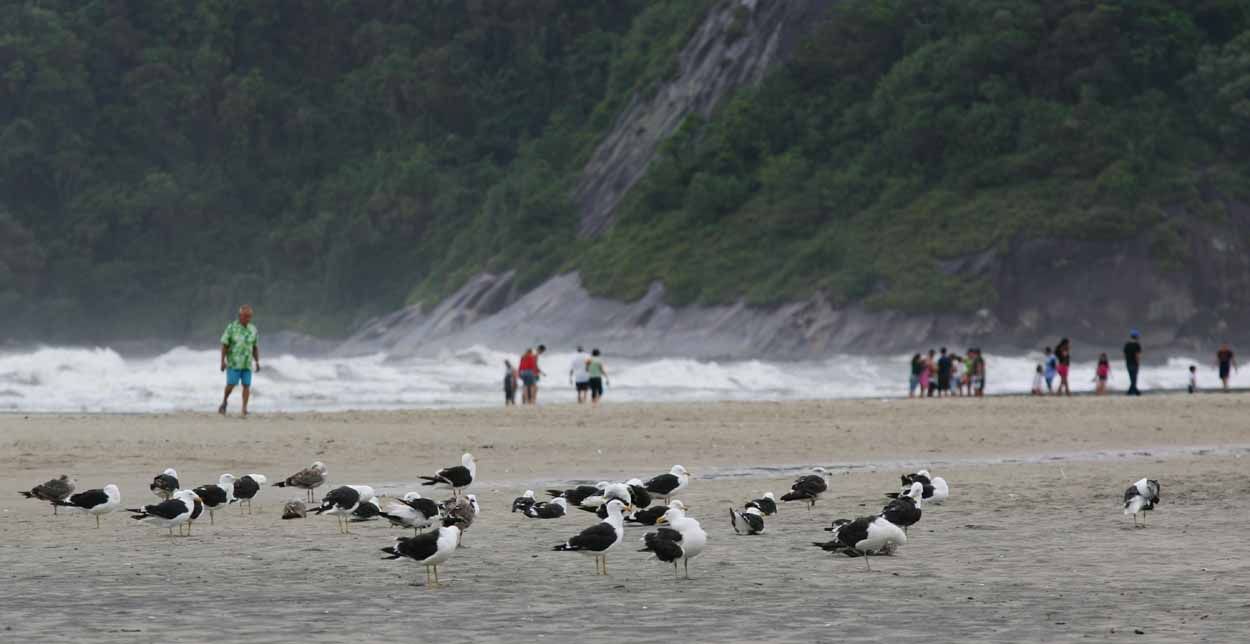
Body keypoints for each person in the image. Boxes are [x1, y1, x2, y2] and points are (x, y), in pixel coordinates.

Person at [218, 305, 260, 417]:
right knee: (231, 384)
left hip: (247, 363)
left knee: (246, 385)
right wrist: (222, 361)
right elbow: (224, 344)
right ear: (240, 316)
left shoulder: (253, 329)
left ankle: (244, 409)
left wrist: (257, 361)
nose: (248, 319)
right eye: (245, 316)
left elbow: (255, 347)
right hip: (234, 363)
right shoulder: (231, 328)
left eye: (249, 316)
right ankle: (224, 401)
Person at [1123, 330, 1142, 396]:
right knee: (1134, 378)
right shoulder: (1137, 345)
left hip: (1128, 363)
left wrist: (1127, 360)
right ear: (1136, 337)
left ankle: (1133, 391)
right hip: (1134, 363)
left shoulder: (1127, 345)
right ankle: (1133, 391)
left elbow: (1124, 355)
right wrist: (1138, 362)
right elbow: (1137, 355)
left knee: (1131, 377)